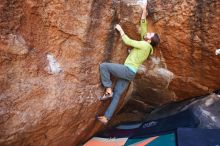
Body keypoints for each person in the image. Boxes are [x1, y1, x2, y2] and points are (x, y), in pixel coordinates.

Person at [97, 2, 160, 125]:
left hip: (127, 70)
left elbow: (128, 41)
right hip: (130, 74)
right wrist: (144, 11)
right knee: (117, 96)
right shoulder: (147, 46)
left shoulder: (144, 44)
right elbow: (143, 26)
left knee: (104, 66)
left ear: (149, 40)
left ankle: (108, 88)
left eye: (150, 34)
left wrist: (120, 30)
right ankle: (106, 118)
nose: (148, 33)